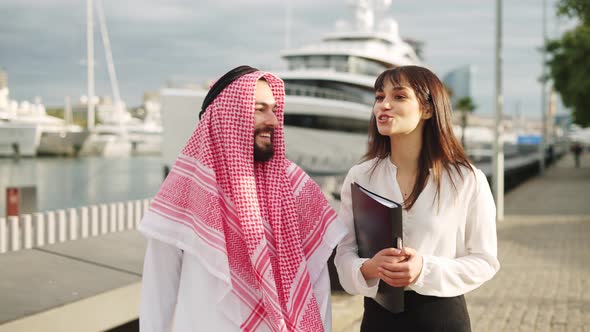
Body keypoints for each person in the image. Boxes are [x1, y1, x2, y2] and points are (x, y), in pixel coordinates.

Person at [138, 65, 346, 332]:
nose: (273, 120)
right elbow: (159, 291)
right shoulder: (186, 188)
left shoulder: (296, 187)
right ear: (226, 116)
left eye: (273, 109)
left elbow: (316, 284)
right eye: (259, 109)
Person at [334, 66, 500, 331]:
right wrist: (368, 268)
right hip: (378, 319)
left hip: (442, 319)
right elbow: (343, 253)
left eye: (399, 96)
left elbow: (485, 260)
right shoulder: (360, 176)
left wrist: (424, 268)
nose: (383, 105)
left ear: (428, 109)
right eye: (379, 97)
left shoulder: (467, 179)